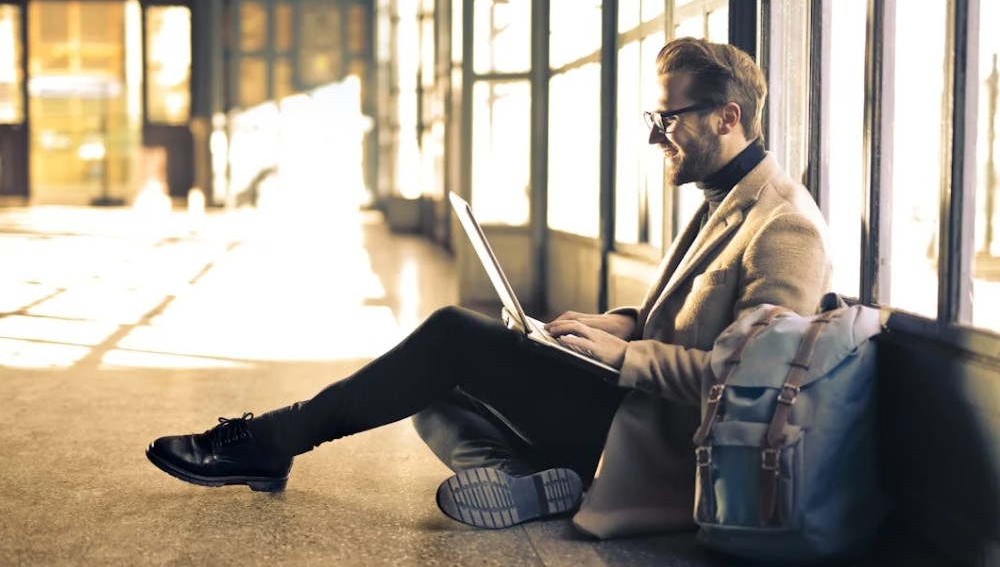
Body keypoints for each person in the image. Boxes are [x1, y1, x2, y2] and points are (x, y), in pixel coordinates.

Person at [145, 37, 831, 538]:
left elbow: (754, 384)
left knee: (451, 336)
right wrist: (618, 323)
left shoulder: (783, 225)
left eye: (668, 119)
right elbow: (690, 314)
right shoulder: (724, 195)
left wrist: (624, 357)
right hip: (626, 405)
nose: (657, 138)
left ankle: (271, 440)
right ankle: (531, 481)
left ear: (727, 117)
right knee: (425, 393)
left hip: (658, 443)